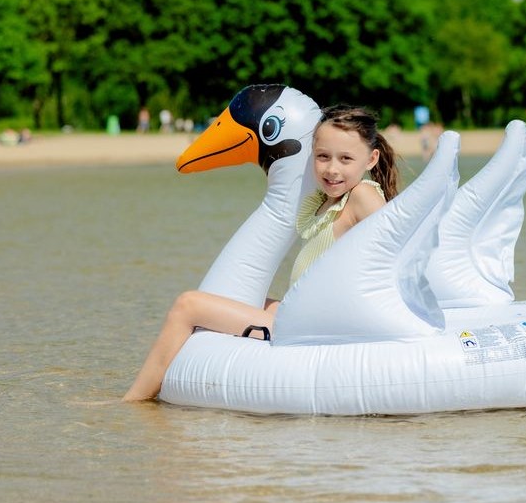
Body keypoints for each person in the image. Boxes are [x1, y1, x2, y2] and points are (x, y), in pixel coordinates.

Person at [122, 104, 400, 402]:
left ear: (371, 159)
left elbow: (395, 249)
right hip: (306, 315)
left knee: (188, 305)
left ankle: (134, 401)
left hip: (321, 326)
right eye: (322, 156)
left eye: (346, 159)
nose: (332, 168)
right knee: (245, 300)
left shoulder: (362, 196)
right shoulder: (328, 200)